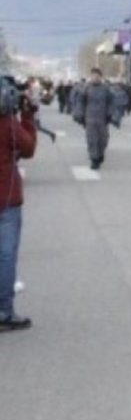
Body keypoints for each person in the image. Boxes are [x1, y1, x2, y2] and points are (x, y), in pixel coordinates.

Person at [0, 79, 37, 332]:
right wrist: (27, 116)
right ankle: (3, 311)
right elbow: (28, 148)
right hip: (6, 198)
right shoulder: (7, 124)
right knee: (5, 255)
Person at [72, 68, 117, 170]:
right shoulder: (86, 89)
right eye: (93, 75)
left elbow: (112, 102)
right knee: (92, 140)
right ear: (91, 76)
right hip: (90, 118)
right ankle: (94, 159)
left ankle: (100, 154)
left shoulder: (106, 89)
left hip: (103, 119)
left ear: (101, 77)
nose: (95, 78)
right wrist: (79, 115)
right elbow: (80, 102)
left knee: (103, 140)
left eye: (97, 76)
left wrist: (111, 114)